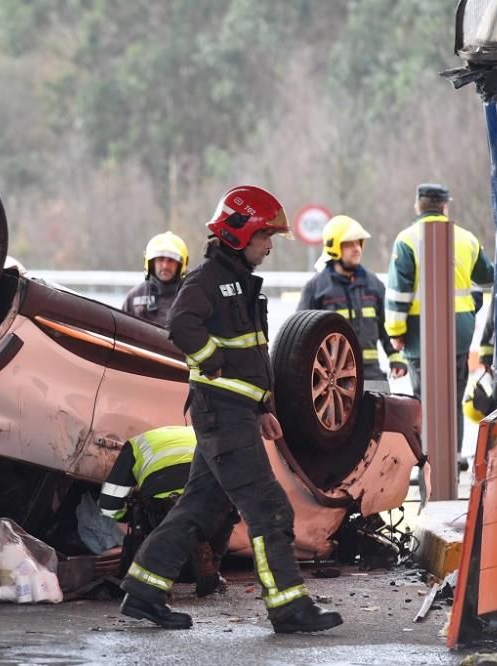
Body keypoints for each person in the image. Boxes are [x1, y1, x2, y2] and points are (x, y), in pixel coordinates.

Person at [118, 185, 343, 634]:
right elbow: (180, 325)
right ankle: (288, 605)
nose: (270, 245)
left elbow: (253, 356)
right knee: (268, 506)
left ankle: (143, 590)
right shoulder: (206, 281)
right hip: (220, 412)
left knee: (199, 506)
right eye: (265, 236)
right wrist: (211, 360)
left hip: (235, 412)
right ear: (239, 234)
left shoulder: (242, 285)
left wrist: (262, 406)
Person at [385, 183, 494, 465]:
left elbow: (399, 295)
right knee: (453, 400)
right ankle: (453, 458)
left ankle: (429, 462)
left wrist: (395, 334)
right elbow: (488, 278)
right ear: (445, 206)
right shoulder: (466, 239)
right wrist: (472, 307)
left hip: (421, 335)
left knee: (425, 402)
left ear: (417, 206)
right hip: (459, 332)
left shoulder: (407, 240)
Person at [98, 425, 237, 597]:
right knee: (225, 510)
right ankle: (212, 566)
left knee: (156, 517)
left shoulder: (136, 445)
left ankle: (157, 578)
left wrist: (128, 516)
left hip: (167, 503)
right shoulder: (206, 432)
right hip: (214, 497)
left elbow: (109, 503)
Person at [299, 215, 407, 386]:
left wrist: (396, 358)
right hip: (330, 379)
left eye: (358, 243)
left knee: (381, 412)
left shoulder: (374, 285)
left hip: (371, 374)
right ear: (333, 248)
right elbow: (301, 336)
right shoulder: (316, 288)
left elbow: (386, 326)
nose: (357, 249)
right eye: (349, 244)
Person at [122, 231, 188, 326]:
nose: (165, 265)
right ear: (151, 263)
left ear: (181, 265)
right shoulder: (134, 296)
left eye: (171, 260)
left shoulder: (191, 298)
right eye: (160, 259)